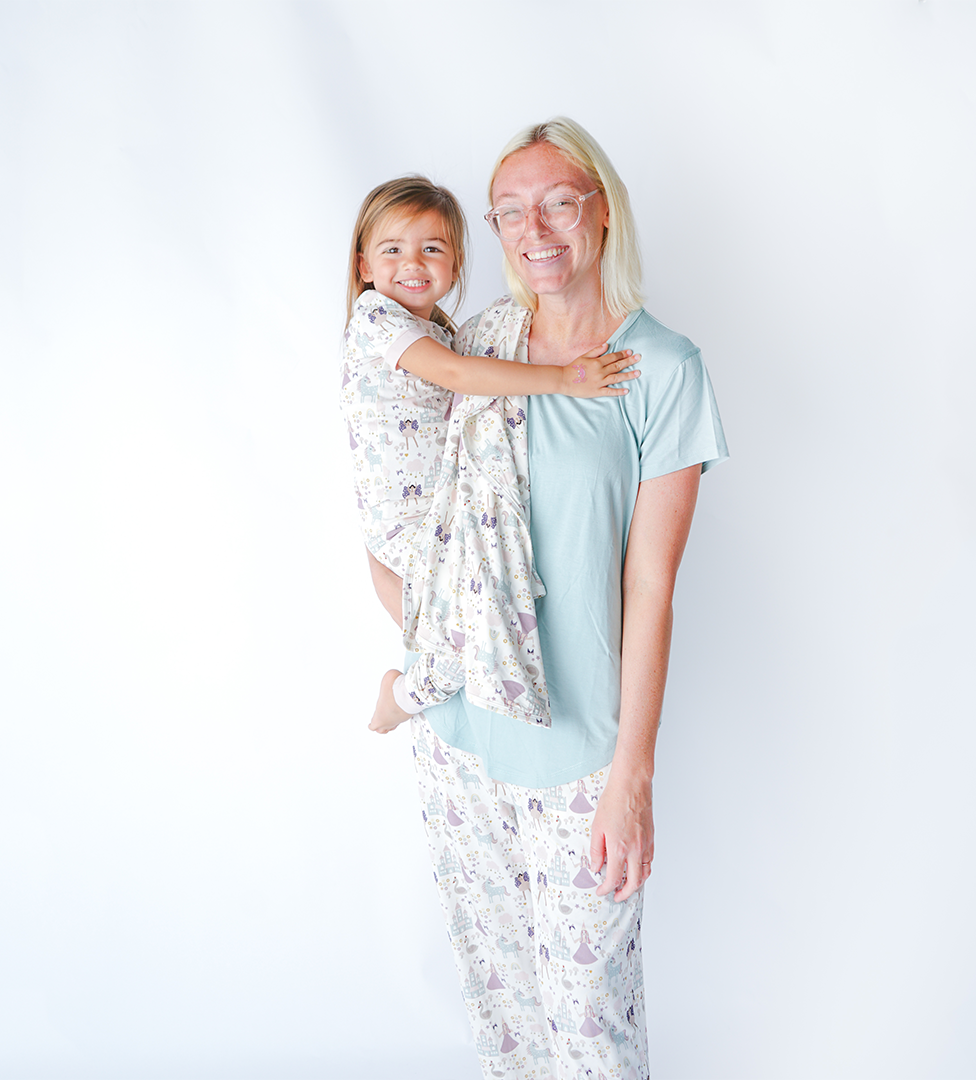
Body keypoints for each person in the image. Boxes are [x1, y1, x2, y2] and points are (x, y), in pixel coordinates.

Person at [366, 121, 728, 1079]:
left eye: (559, 200)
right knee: (506, 1006)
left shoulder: (665, 370)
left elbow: (650, 586)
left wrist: (631, 775)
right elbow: (402, 484)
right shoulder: (476, 342)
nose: (537, 228)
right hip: (457, 731)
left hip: (578, 748)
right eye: (511, 209)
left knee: (589, 1020)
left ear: (601, 210)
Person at [340, 176, 639, 734]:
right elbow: (458, 376)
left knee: (468, 629)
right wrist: (563, 378)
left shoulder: (437, 331)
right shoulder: (377, 321)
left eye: (432, 248)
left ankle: (409, 687)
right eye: (393, 249)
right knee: (472, 638)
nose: (413, 263)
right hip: (407, 521)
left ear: (454, 266)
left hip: (436, 513)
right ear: (364, 267)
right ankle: (398, 699)